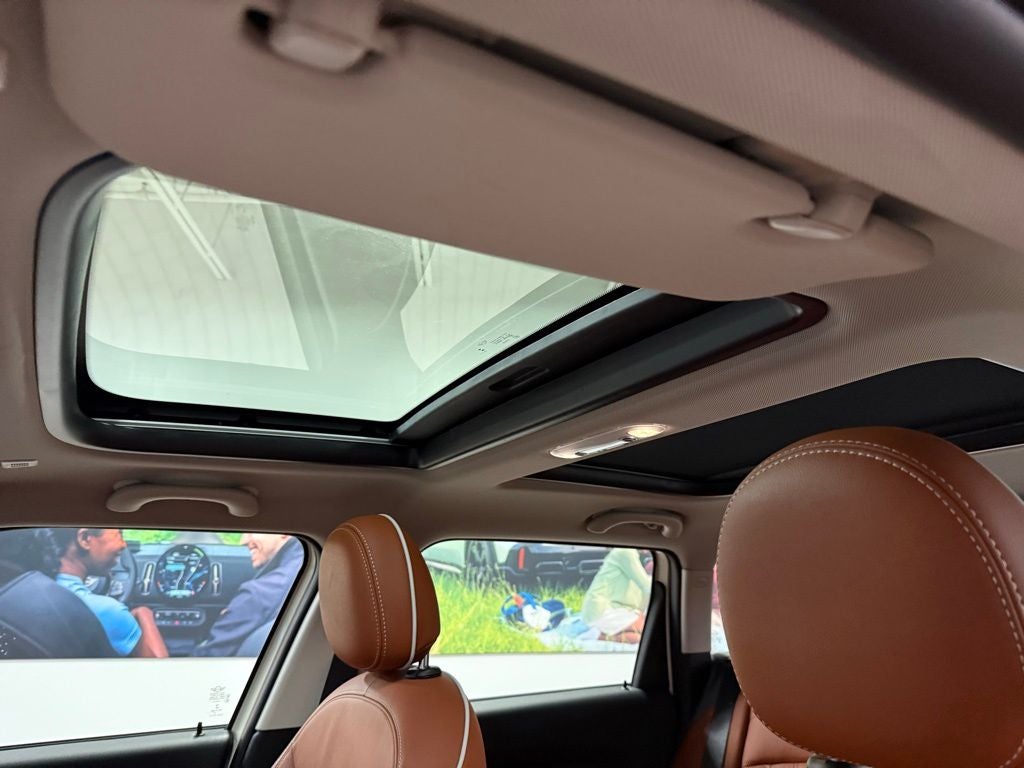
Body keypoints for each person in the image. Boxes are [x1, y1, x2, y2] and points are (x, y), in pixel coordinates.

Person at [51, 528, 168, 657]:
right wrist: (145, 615)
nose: (124, 544)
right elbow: (159, 667)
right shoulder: (107, 611)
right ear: (85, 539)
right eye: (119, 533)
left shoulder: (39, 590)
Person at [193, 533, 303, 657]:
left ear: (283, 531)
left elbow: (209, 657)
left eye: (252, 531)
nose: (243, 541)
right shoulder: (307, 569)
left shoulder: (258, 594)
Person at [581, 548, 652, 643]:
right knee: (649, 627)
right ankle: (597, 635)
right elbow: (647, 586)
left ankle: (600, 636)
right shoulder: (626, 552)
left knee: (640, 637)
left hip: (614, 608)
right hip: (601, 610)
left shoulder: (630, 554)